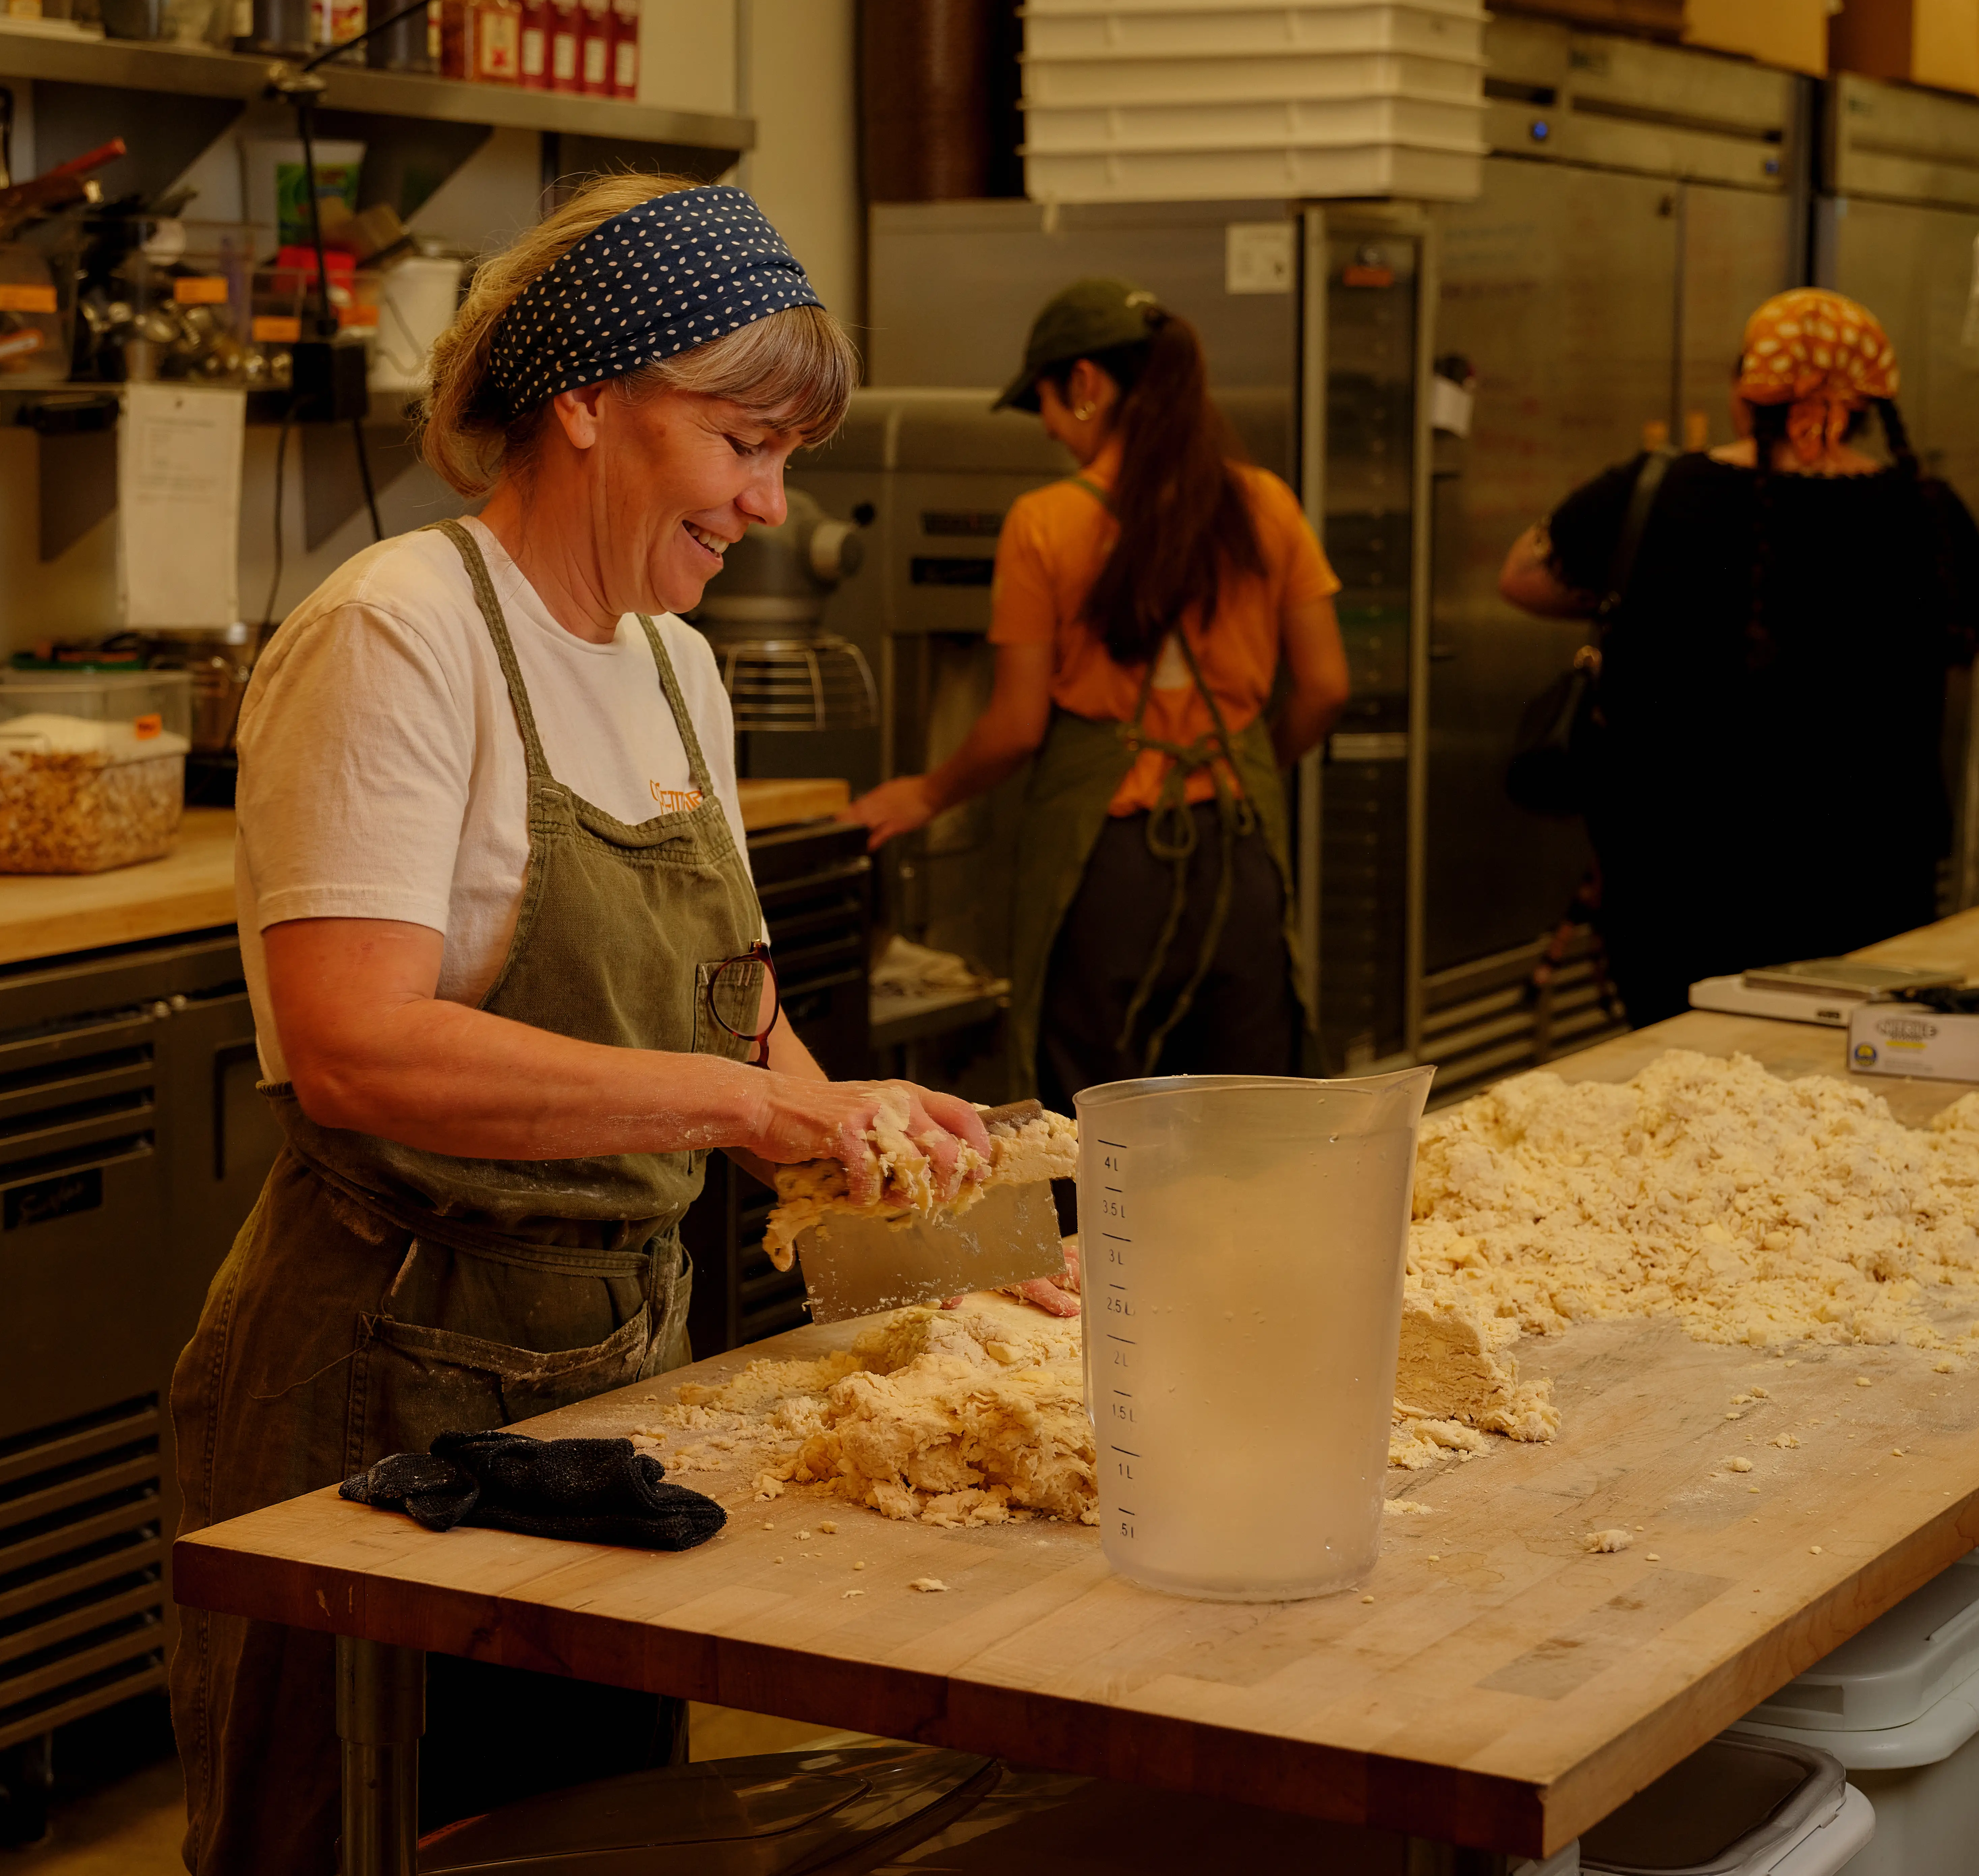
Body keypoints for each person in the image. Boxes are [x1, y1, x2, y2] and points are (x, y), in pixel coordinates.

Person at [171, 175, 994, 1876]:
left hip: (622, 1367)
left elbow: (737, 1019)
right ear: (589, 402)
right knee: (363, 1838)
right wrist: (746, 1112)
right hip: (388, 1367)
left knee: (589, 1837)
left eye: (786, 456)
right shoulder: (402, 631)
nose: (769, 503)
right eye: (741, 443)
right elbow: (353, 1044)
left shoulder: (673, 665)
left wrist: (918, 1209)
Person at [846, 279, 1349, 1102]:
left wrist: (927, 793)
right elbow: (1326, 687)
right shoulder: (1267, 504)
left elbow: (1017, 725)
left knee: (1097, 1121)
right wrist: (1247, 766)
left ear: (1085, 384)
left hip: (1108, 868)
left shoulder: (1045, 522)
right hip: (1240, 852)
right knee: (1252, 1112)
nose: (1047, 426)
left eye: (1042, 401)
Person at [1498, 287, 1979, 1023]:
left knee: (1680, 1069)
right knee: (1847, 1079)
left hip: (1677, 878)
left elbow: (1523, 576)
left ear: (1745, 390)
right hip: (1873, 873)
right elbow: (1967, 638)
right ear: (1869, 400)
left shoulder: (1651, 490)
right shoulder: (1931, 514)